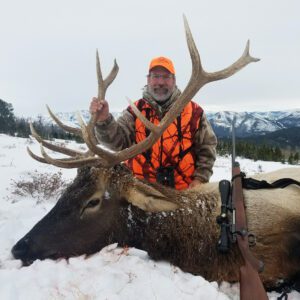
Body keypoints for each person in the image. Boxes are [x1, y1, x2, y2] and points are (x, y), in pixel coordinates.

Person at [90, 56, 217, 190]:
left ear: (174, 80)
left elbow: (207, 148)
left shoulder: (194, 112)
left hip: (184, 194)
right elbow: (116, 144)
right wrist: (104, 120)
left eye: (166, 77)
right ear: (148, 79)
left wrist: (200, 179)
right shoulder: (134, 111)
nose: (160, 82)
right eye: (156, 76)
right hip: (139, 193)